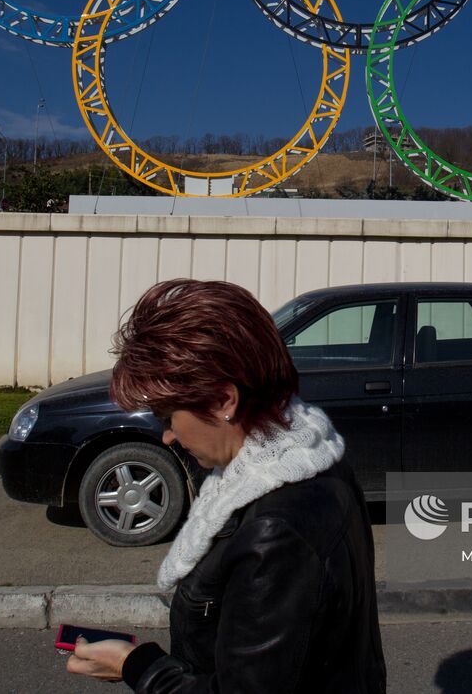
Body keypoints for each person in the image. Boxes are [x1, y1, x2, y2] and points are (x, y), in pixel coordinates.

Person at [66, 278, 386, 693]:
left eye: (168, 416)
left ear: (223, 401)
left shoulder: (274, 530)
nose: (167, 436)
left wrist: (137, 667)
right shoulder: (314, 453)